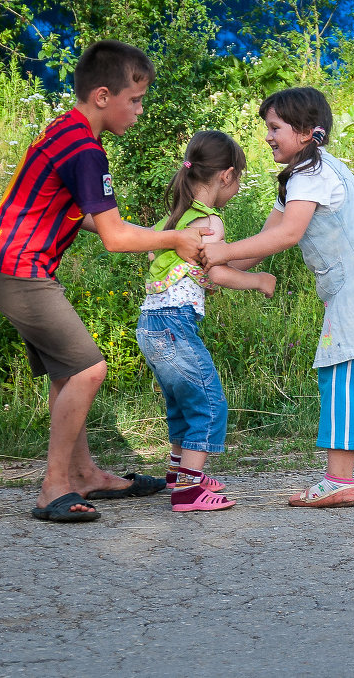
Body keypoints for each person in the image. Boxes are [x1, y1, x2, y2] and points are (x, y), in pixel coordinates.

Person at [0, 39, 208, 523]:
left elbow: (80, 213)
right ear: (103, 96)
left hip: (11, 266)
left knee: (68, 369)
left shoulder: (67, 129)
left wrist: (154, 233)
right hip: (20, 273)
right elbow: (113, 237)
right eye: (136, 99)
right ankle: (53, 487)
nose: (140, 110)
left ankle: (84, 474)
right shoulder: (86, 151)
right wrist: (172, 240)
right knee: (89, 370)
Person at [200, 86, 354, 508]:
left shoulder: (310, 174)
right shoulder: (303, 175)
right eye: (268, 128)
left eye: (274, 127)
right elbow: (265, 240)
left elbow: (288, 235)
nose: (267, 136)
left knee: (338, 373)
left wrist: (221, 250)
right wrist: (218, 271)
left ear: (303, 131)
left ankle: (339, 481)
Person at [137, 130, 275, 513]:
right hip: (175, 326)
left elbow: (164, 260)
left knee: (182, 402)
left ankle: (179, 470)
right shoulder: (211, 222)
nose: (238, 186)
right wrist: (258, 281)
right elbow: (218, 273)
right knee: (209, 403)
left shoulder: (177, 217)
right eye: (240, 178)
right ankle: (189, 490)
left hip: (150, 324)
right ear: (226, 176)